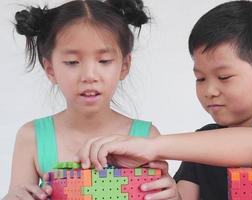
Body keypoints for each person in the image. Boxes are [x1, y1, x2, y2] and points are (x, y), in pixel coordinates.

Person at [78, 1, 252, 199]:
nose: (209, 90)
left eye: (224, 77)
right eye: (200, 78)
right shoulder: (201, 143)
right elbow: (184, 195)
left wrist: (152, 145)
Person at [4, 0, 179, 200]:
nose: (89, 75)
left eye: (104, 61)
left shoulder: (146, 136)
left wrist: (174, 196)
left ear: (124, 66)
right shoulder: (32, 137)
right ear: (50, 69)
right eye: (72, 62)